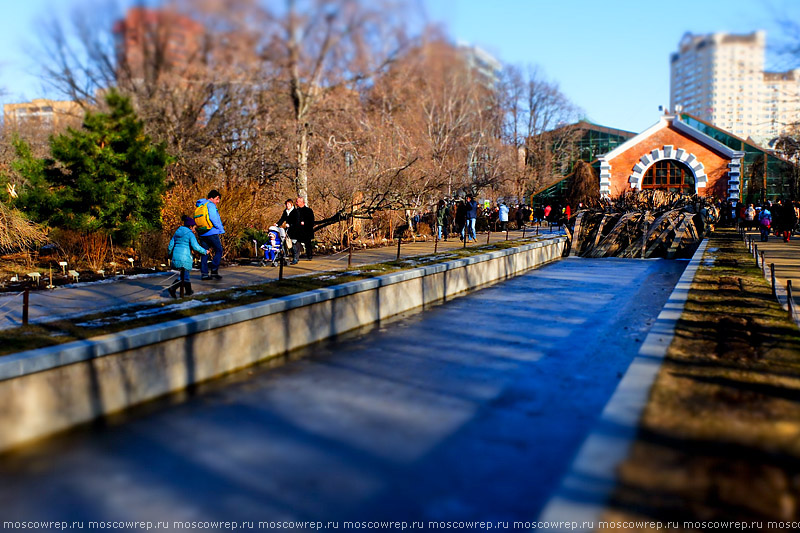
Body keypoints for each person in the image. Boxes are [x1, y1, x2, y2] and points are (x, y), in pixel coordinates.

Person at [167, 216, 208, 298]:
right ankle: (172, 288)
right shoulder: (190, 234)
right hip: (185, 257)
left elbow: (170, 246)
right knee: (184, 275)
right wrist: (205, 251)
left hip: (176, 256)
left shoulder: (177, 232)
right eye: (194, 228)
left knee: (185, 274)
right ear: (190, 227)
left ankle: (189, 291)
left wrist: (170, 255)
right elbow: (196, 246)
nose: (195, 230)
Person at [195, 189, 225, 280]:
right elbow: (213, 218)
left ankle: (204, 274)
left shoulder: (200, 205)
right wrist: (220, 229)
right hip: (211, 231)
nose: (218, 201)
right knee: (219, 250)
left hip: (202, 232)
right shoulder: (210, 205)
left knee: (205, 252)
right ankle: (214, 271)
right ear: (212, 198)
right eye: (217, 199)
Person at [277, 198, 301, 264]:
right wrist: (277, 224)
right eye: (286, 204)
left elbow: (297, 221)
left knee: (293, 244)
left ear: (291, 204)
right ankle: (286, 257)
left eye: (288, 204)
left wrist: (290, 224)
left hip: (295, 230)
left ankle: (295, 258)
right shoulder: (286, 211)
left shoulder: (295, 212)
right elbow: (282, 219)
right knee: (286, 244)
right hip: (288, 230)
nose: (287, 206)